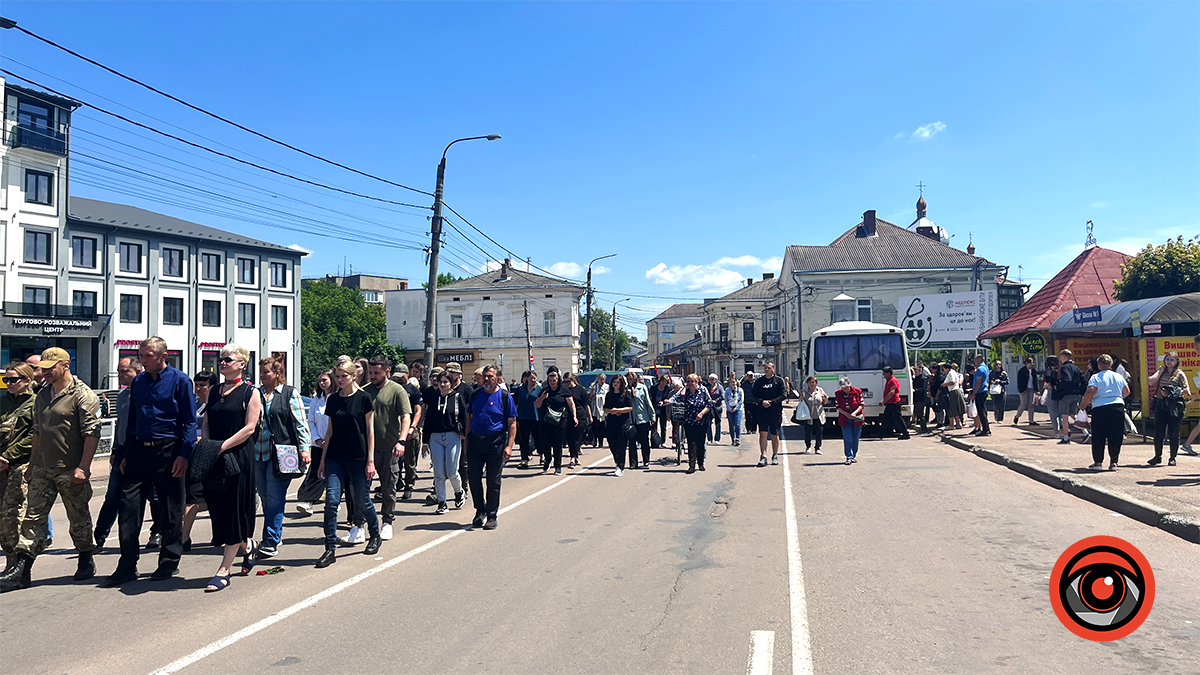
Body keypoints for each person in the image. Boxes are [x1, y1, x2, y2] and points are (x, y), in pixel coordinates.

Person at [0, 349, 102, 592]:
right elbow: (38, 432)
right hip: (43, 469)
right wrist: (32, 465)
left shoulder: (83, 395)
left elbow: (92, 434)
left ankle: (86, 557)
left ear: (65, 366)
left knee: (78, 518)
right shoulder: (43, 394)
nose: (44, 372)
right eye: (42, 368)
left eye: (49, 368)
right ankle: (22, 571)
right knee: (31, 519)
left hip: (70, 469)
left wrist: (83, 468)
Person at [103, 339, 196, 587]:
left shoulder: (180, 380)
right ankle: (127, 564)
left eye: (148, 355)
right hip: (137, 452)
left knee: (170, 510)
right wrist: (123, 453)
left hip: (169, 452)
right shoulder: (139, 382)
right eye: (141, 355)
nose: (144, 360)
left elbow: (189, 421)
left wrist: (184, 455)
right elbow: (131, 419)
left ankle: (168, 561)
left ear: (163, 355)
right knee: (129, 508)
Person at [197, 344, 262, 591]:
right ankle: (248, 546)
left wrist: (223, 445)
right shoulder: (214, 391)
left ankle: (224, 569)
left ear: (242, 364)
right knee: (218, 508)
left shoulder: (250, 392)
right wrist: (206, 442)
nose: (222, 362)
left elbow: (250, 428)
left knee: (235, 510)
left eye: (228, 359)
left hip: (238, 456)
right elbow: (207, 420)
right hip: (215, 455)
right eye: (220, 359)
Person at [317, 360, 383, 568]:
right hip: (335, 456)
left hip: (358, 456)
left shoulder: (364, 398)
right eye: (337, 376)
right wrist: (322, 461)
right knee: (332, 502)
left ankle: (374, 533)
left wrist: (370, 460)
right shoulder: (334, 399)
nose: (340, 380)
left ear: (354, 376)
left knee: (362, 500)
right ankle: (329, 548)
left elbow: (370, 431)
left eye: (344, 376)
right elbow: (329, 432)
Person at [254, 356, 312, 557]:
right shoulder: (256, 394)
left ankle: (270, 540)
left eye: (266, 372)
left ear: (277, 373)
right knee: (264, 495)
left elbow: (300, 423)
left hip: (282, 452)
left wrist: (305, 449)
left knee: (275, 497)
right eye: (261, 372)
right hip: (257, 453)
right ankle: (274, 532)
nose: (262, 376)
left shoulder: (289, 393)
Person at [92, 357, 143, 550]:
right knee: (112, 495)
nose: (121, 375)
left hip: (141, 450)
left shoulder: (145, 394)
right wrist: (114, 450)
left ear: (137, 371)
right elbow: (119, 424)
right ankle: (99, 536)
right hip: (122, 450)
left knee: (152, 496)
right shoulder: (121, 396)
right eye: (119, 371)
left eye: (124, 371)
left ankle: (157, 531)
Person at [362, 355, 411, 542]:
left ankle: (387, 522)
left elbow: (406, 416)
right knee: (361, 489)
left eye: (377, 373)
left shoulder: (396, 390)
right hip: (367, 450)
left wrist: (402, 441)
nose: (373, 376)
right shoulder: (365, 391)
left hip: (389, 448)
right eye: (371, 372)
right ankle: (359, 524)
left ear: (387, 371)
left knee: (388, 487)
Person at [464, 365, 517, 530]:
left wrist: (509, 446)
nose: (487, 379)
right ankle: (480, 511)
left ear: (498, 379)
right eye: (485, 376)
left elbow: (512, 423)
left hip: (496, 443)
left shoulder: (504, 396)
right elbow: (469, 419)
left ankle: (492, 515)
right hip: (475, 443)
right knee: (473, 478)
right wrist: (466, 441)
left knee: (493, 481)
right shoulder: (475, 395)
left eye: (490, 377)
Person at [0, 363, 36, 573]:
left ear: (27, 380)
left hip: (19, 465)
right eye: (7, 380)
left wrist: (7, 456)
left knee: (12, 516)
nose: (10, 384)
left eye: (14, 379)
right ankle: (9, 561)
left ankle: (17, 566)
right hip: (1, 465)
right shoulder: (3, 403)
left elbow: (35, 437)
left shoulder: (35, 404)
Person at [422, 370, 467, 514]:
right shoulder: (433, 399)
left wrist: (465, 434)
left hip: (452, 436)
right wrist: (425, 442)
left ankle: (459, 492)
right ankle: (442, 502)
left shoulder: (457, 398)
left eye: (445, 382)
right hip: (435, 437)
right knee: (439, 473)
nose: (442, 384)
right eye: (440, 381)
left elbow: (464, 417)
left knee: (452, 471)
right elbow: (428, 421)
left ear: (451, 383)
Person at [1080, 354, 1131, 471]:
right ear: (1111, 364)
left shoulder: (1096, 377)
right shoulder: (1118, 376)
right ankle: (1114, 462)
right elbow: (1126, 391)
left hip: (1100, 407)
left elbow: (1091, 390)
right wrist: (1117, 397)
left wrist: (1084, 403)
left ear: (1098, 364)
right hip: (1117, 407)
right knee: (1116, 435)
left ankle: (1098, 462)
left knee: (1099, 435)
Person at [296, 369, 334, 516]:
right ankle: (308, 500)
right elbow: (310, 420)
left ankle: (332, 501)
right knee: (317, 472)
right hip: (319, 443)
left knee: (333, 473)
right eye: (320, 380)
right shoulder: (317, 399)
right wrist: (317, 439)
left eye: (325, 380)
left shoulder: (336, 397)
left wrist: (329, 440)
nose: (322, 383)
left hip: (334, 443)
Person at [1148, 352, 1190, 467]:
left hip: (1174, 405)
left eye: (1172, 360)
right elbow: (1150, 382)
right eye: (1167, 359)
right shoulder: (1161, 372)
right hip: (1161, 404)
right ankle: (1157, 456)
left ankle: (1172, 457)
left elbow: (1186, 390)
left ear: (1176, 362)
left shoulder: (1179, 374)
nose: (1169, 362)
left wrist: (1172, 393)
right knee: (1158, 432)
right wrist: (1160, 371)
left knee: (1173, 432)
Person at [534, 368, 575, 474]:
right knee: (545, 443)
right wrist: (542, 398)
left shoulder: (564, 390)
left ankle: (558, 466)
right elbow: (537, 405)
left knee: (557, 443)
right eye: (550, 380)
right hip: (546, 420)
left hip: (560, 420)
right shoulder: (545, 390)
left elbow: (571, 404)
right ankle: (548, 459)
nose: (552, 383)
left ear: (558, 380)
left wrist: (574, 416)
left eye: (554, 380)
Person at [672, 374, 712, 474]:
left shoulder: (703, 390)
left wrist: (702, 413)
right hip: (689, 421)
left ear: (697, 382)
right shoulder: (686, 392)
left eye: (692, 382)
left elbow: (709, 404)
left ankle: (701, 463)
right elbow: (680, 399)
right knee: (691, 443)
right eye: (688, 381)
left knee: (700, 442)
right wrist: (685, 388)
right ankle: (692, 465)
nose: (690, 383)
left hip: (702, 420)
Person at [396, 363, 423, 501]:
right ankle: (392, 485)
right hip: (394, 430)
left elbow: (418, 410)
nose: (398, 379)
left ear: (407, 374)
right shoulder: (392, 388)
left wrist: (413, 427)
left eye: (401, 376)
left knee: (409, 461)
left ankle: (409, 486)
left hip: (410, 430)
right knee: (392, 461)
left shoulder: (413, 390)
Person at [445, 362, 472, 499]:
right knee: (445, 462)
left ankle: (464, 487)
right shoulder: (445, 389)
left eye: (452, 372)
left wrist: (466, 430)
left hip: (462, 430)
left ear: (459, 374)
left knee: (462, 462)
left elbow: (470, 411)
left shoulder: (466, 389)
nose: (449, 374)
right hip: (447, 431)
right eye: (447, 371)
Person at [752, 363, 785, 466]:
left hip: (775, 412)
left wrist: (772, 402)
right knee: (763, 434)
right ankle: (763, 456)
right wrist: (762, 401)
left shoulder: (779, 381)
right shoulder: (759, 382)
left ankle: (775, 455)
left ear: (773, 369)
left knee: (774, 435)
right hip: (762, 412)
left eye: (769, 368)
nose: (767, 370)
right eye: (765, 368)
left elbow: (784, 394)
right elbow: (753, 394)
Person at [603, 374, 635, 474]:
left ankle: (620, 466)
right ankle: (617, 461)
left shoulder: (626, 394)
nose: (615, 384)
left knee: (621, 444)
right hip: (611, 422)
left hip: (623, 422)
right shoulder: (609, 395)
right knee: (612, 443)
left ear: (621, 384)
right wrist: (611, 411)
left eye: (617, 382)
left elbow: (629, 408)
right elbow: (605, 408)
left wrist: (618, 410)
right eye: (614, 382)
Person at [1053, 349, 1084, 444]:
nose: (1060, 359)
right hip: (1076, 394)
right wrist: (1081, 392)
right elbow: (1083, 380)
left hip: (1066, 394)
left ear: (1064, 357)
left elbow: (1067, 380)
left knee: (1064, 416)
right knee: (1073, 414)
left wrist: (1058, 386)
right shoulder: (1076, 368)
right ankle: (1085, 430)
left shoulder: (1064, 368)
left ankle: (1066, 438)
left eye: (1061, 357)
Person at [628, 372, 656, 469]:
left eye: (631, 379)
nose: (629, 381)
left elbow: (647, 402)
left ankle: (646, 460)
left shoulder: (642, 388)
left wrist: (652, 415)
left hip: (642, 418)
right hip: (630, 419)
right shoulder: (625, 389)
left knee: (644, 441)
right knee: (631, 442)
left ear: (635, 379)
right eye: (628, 379)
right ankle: (633, 463)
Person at [515, 371, 541, 470]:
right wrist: (515, 418)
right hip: (523, 417)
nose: (532, 380)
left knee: (538, 438)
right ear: (527, 379)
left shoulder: (540, 389)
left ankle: (542, 454)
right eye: (531, 378)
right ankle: (524, 459)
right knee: (524, 440)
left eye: (534, 378)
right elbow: (517, 404)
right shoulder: (521, 390)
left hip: (536, 417)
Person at [836, 376, 865, 465]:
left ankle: (853, 455)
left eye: (846, 387)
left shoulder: (857, 391)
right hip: (845, 418)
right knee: (847, 438)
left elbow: (861, 405)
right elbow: (838, 407)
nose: (845, 389)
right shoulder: (838, 393)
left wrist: (854, 413)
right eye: (843, 388)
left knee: (855, 438)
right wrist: (847, 414)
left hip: (857, 418)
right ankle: (849, 457)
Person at [565, 372, 591, 466]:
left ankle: (573, 457)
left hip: (580, 415)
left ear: (573, 380)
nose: (566, 384)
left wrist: (590, 416)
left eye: (568, 381)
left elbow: (586, 404)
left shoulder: (580, 390)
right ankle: (574, 456)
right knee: (570, 437)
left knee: (578, 437)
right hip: (568, 415)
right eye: (564, 382)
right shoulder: (564, 390)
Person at [798, 375, 828, 454]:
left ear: (816, 383)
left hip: (819, 415)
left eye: (813, 382)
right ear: (807, 383)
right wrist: (802, 398)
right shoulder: (805, 391)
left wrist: (825, 398)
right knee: (808, 432)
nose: (811, 384)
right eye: (810, 382)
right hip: (808, 416)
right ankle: (808, 447)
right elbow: (801, 402)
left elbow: (824, 402)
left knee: (819, 432)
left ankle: (817, 448)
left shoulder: (820, 390)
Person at [881, 366, 910, 440]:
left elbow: (892, 392)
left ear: (888, 373)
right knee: (886, 418)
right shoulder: (889, 380)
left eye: (884, 373)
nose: (883, 375)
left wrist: (883, 400)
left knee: (898, 418)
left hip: (894, 403)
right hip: (890, 403)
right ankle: (882, 433)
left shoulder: (893, 380)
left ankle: (905, 433)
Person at [968, 355, 991, 437]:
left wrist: (974, 393)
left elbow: (978, 382)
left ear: (979, 359)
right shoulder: (986, 368)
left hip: (980, 392)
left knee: (981, 411)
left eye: (975, 359)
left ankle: (985, 430)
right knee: (983, 410)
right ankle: (986, 428)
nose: (974, 361)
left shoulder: (980, 369)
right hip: (984, 390)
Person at [1013, 357, 1039, 426]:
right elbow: (1019, 381)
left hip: (1031, 389)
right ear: (1027, 363)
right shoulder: (1022, 371)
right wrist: (1021, 390)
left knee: (1031, 404)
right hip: (1024, 389)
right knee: (1023, 404)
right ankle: (1017, 416)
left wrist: (1037, 390)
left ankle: (1031, 420)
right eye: (1031, 363)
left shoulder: (1033, 371)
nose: (1032, 364)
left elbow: (1035, 381)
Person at [588, 373, 609, 449]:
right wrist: (592, 392)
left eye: (603, 379)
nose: (602, 381)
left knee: (602, 426)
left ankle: (601, 442)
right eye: (601, 379)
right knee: (594, 426)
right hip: (594, 409)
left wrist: (597, 397)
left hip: (602, 410)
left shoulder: (607, 387)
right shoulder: (593, 386)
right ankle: (594, 440)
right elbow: (590, 398)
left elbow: (606, 396)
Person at [653, 375, 673, 449]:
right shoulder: (654, 388)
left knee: (663, 426)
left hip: (663, 410)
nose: (663, 383)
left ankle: (662, 442)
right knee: (654, 426)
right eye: (662, 381)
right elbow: (651, 397)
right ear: (660, 381)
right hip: (654, 408)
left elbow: (669, 398)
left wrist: (664, 401)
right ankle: (654, 442)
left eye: (665, 382)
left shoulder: (668, 389)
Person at [724, 374, 744, 447]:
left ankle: (738, 438)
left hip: (738, 409)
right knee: (731, 425)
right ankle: (733, 439)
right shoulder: (727, 390)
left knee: (737, 424)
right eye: (731, 382)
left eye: (734, 382)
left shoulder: (740, 390)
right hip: (729, 410)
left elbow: (741, 401)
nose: (733, 383)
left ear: (736, 382)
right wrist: (729, 408)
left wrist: (735, 408)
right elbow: (726, 400)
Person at [944, 363, 966, 429]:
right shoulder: (953, 372)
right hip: (954, 391)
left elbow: (953, 382)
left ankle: (952, 424)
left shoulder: (951, 373)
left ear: (947, 368)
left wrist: (944, 384)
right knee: (954, 408)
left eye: (944, 369)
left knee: (952, 407)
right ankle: (957, 423)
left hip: (953, 391)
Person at [705, 374, 724, 444]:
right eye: (710, 379)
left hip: (717, 407)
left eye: (712, 379)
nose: (711, 380)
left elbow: (723, 396)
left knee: (718, 423)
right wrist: (709, 401)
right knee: (708, 423)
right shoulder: (707, 387)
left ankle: (717, 439)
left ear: (716, 380)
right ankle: (710, 439)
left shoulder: (720, 387)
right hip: (709, 407)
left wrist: (716, 400)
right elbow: (705, 395)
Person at [911, 365, 928, 434]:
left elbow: (923, 388)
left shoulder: (923, 379)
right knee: (917, 413)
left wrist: (916, 390)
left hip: (921, 399)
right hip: (916, 398)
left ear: (920, 372)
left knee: (920, 414)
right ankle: (922, 427)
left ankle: (924, 428)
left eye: (916, 371)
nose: (915, 373)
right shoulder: (915, 379)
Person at [741, 372, 758, 436]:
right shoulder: (744, 384)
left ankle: (754, 429)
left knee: (755, 416)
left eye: (751, 376)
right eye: (749, 376)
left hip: (755, 402)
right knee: (748, 416)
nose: (750, 377)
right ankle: (748, 429)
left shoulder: (756, 383)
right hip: (747, 402)